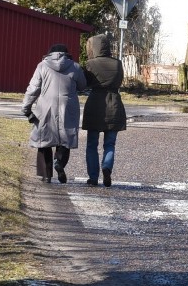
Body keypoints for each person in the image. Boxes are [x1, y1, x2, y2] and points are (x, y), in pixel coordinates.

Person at [21, 44, 87, 183]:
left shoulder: (42, 66)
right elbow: (82, 85)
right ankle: (59, 162)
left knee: (44, 140)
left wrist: (26, 108)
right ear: (66, 54)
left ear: (49, 54)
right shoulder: (75, 67)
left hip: (45, 107)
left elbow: (33, 89)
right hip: (68, 107)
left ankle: (46, 175)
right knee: (65, 139)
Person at [82, 34, 127, 187]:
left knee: (91, 145)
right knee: (109, 144)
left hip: (95, 103)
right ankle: (107, 167)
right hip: (114, 102)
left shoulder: (90, 63)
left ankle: (93, 178)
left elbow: (85, 84)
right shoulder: (118, 64)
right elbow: (119, 81)